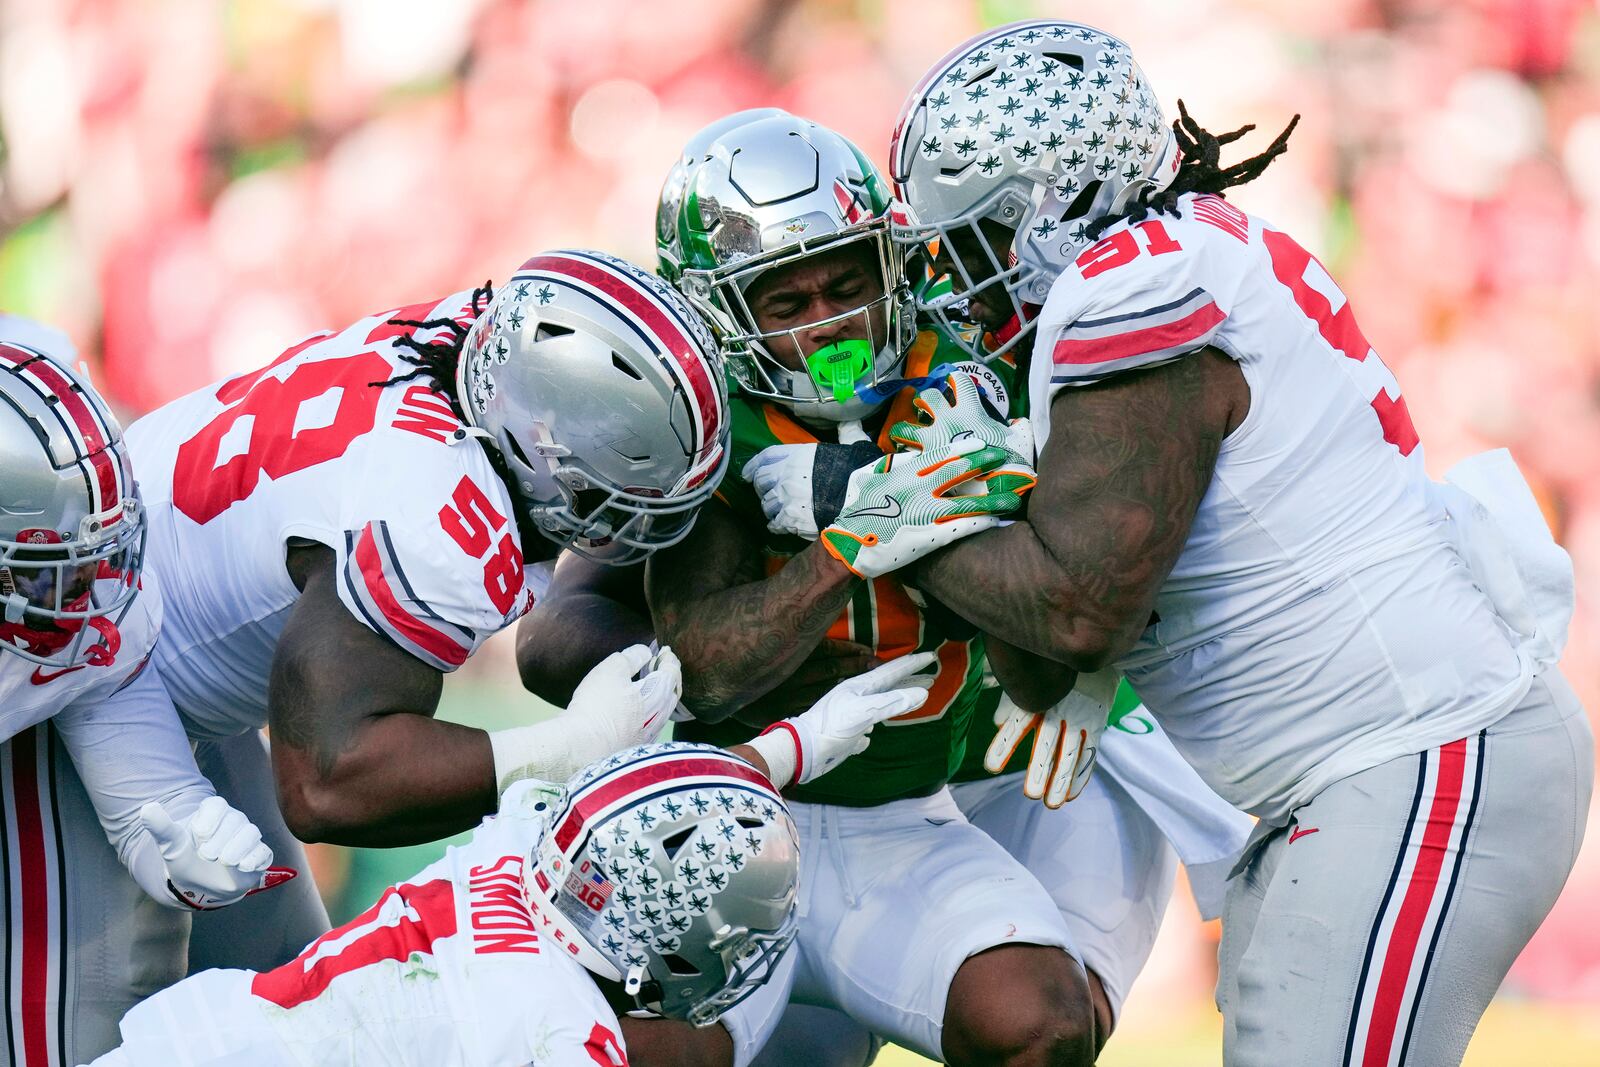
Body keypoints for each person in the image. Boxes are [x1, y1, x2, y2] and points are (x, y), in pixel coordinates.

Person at [888, 19, 1593, 1065]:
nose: (955, 280)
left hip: (1413, 755)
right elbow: (1048, 656)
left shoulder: (1134, 286)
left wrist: (883, 524)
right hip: (1366, 768)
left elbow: (1074, 610)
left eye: (976, 239)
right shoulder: (1182, 248)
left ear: (1054, 207)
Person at [120, 249, 729, 985]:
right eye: (626, 481)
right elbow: (322, 782)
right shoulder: (438, 520)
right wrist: (567, 746)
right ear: (545, 451)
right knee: (86, 1012)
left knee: (286, 985)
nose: (641, 514)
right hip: (84, 674)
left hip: (157, 641)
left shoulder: (472, 344)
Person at [644, 111, 1108, 1067]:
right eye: (786, 299)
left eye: (847, 282)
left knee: (1044, 1022)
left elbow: (1049, 646)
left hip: (907, 823)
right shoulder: (710, 417)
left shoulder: (972, 378)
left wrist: (952, 509)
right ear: (722, 313)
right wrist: (851, 543)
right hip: (733, 815)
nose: (832, 322)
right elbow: (703, 670)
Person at [84, 655, 938, 1067]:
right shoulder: (565, 1036)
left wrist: (793, 747)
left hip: (199, 1040)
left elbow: (643, 805)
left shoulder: (522, 846)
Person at [0, 316, 288, 1065]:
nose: (84, 600)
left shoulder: (86, 609)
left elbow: (142, 797)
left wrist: (186, 850)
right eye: (35, 575)